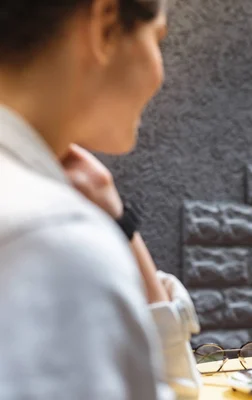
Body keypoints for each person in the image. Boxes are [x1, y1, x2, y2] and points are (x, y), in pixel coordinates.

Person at [0, 0, 200, 399]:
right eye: (157, 38)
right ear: (106, 24)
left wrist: (116, 220)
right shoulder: (52, 240)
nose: (160, 73)